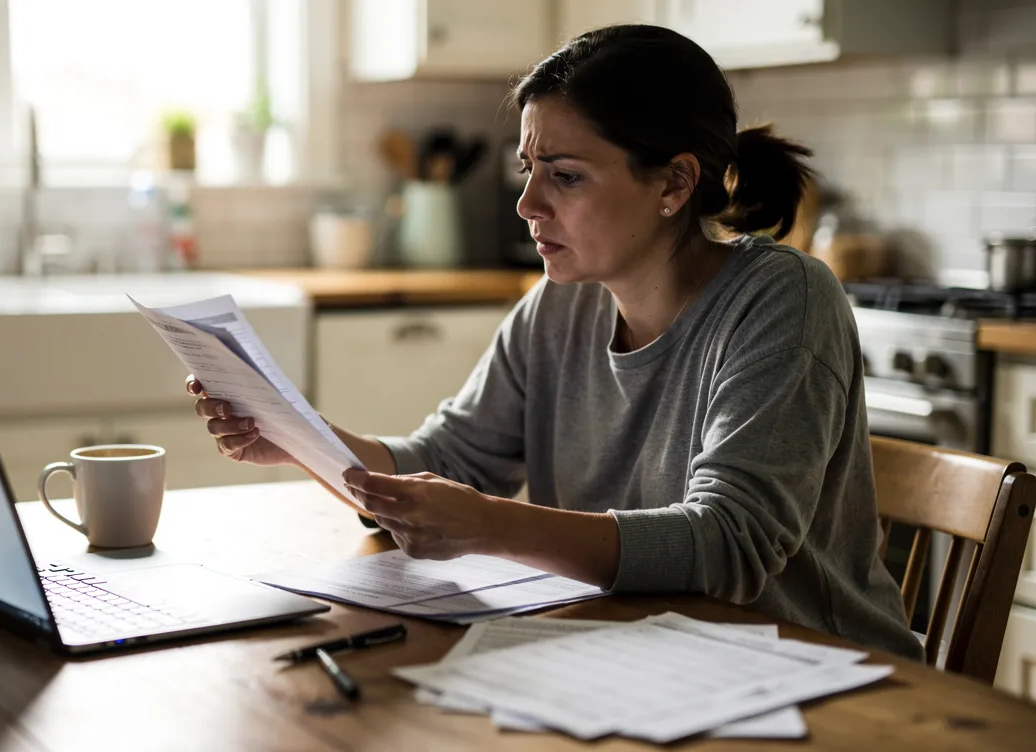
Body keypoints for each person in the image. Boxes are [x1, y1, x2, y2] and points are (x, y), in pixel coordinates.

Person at [185, 24, 922, 659]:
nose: (527, 204)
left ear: (673, 184)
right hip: (640, 658)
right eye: (529, 170)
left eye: (565, 176)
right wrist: (297, 436)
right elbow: (446, 463)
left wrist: (491, 523)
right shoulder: (558, 306)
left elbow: (728, 546)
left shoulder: (781, 299)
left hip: (818, 678)